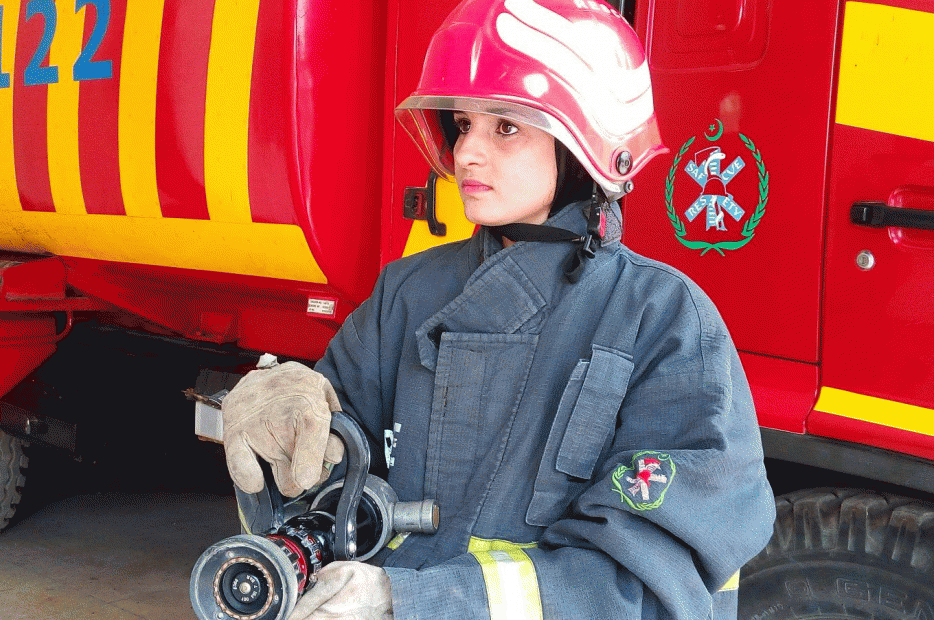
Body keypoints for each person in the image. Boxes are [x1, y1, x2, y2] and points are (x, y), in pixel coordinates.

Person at [220, 0, 776, 618]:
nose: (467, 154)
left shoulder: (664, 322)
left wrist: (411, 599)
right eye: (462, 125)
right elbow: (322, 492)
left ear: (587, 142)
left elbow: (647, 584)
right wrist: (284, 407)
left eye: (505, 127)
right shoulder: (409, 292)